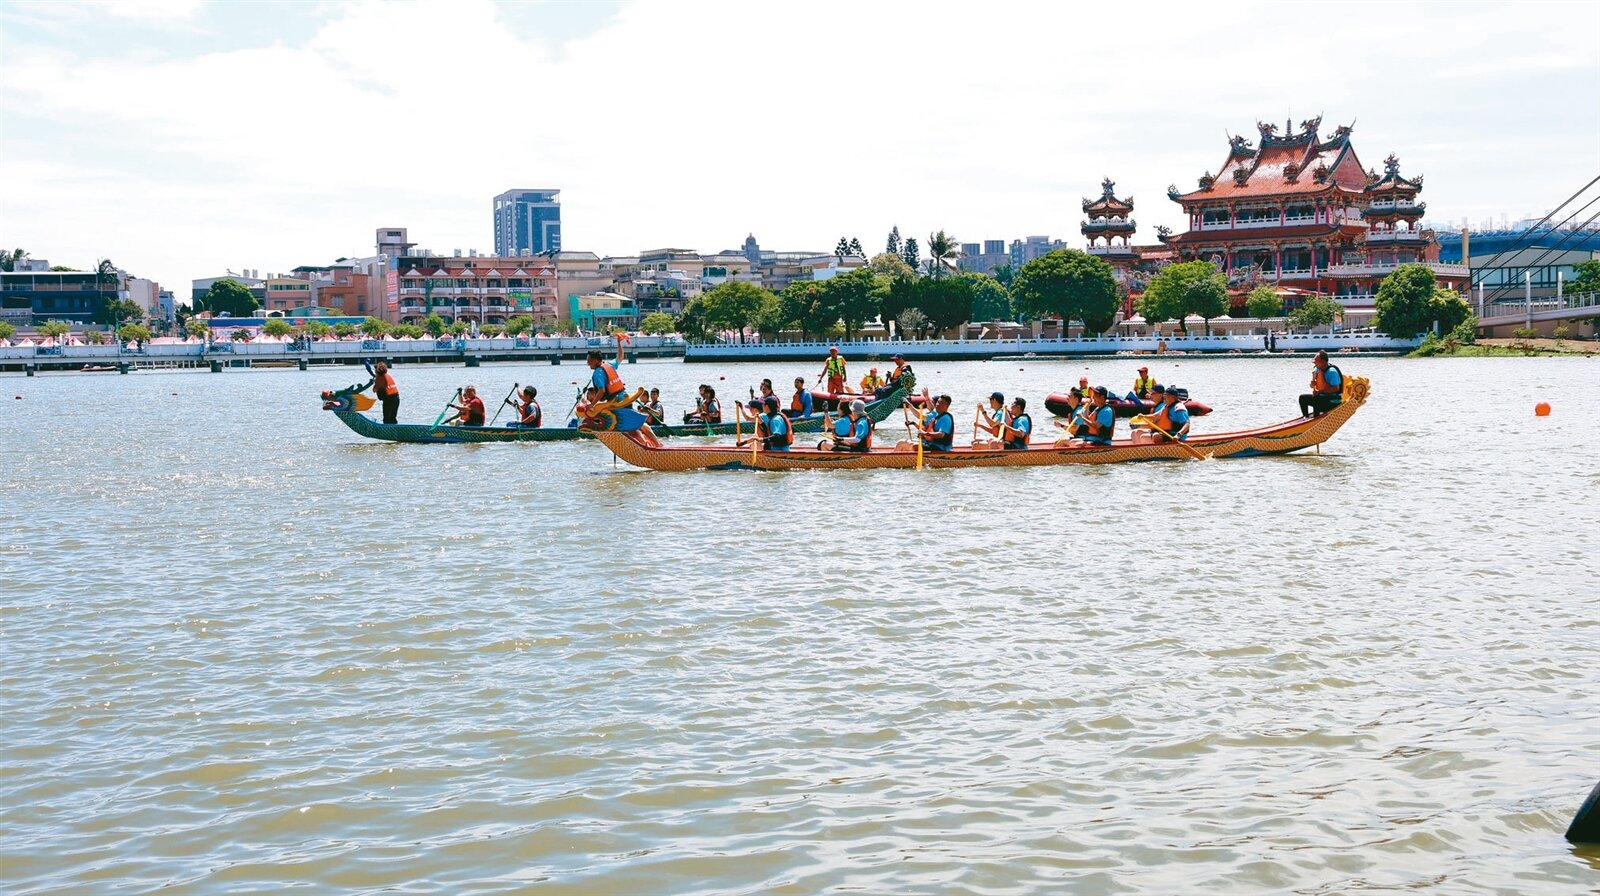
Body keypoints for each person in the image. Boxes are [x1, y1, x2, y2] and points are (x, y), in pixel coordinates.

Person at [1299, 350, 1345, 417]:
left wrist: (1320, 392)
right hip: (1322, 398)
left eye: (1316, 361)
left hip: (1332, 402)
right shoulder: (1318, 369)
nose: (1315, 363)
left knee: (1317, 398)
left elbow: (1336, 388)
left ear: (1323, 361)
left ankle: (1316, 418)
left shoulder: (1331, 372)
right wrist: (1313, 384)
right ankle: (1306, 417)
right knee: (1302, 398)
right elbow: (1313, 385)